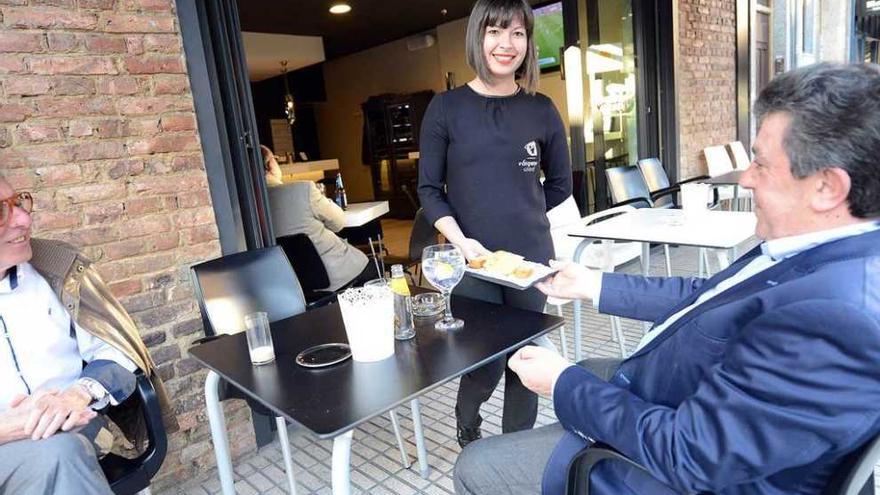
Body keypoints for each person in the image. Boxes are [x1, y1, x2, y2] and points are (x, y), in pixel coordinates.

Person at [454, 62, 880, 495]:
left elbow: (691, 454)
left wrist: (563, 383)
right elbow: (708, 296)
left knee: (478, 464)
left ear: (828, 187)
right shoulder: (819, 248)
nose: (745, 179)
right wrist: (593, 284)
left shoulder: (838, 316)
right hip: (692, 399)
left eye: (761, 165)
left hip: (674, 470)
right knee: (582, 369)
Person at [418, 0, 572, 448]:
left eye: (519, 34)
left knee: (526, 358)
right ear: (477, 37)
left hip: (530, 260)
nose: (507, 44)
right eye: (495, 32)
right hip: (473, 261)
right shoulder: (445, 109)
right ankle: (467, 421)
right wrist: (464, 242)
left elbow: (560, 184)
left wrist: (523, 215)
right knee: (483, 359)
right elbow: (429, 190)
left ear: (528, 43)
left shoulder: (541, 110)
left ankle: (512, 449)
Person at [0, 175, 173, 494]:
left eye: (18, 202)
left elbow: (117, 351)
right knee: (57, 453)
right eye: (1, 212)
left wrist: (76, 395)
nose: (24, 219)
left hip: (73, 429)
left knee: (59, 452)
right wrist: (13, 427)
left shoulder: (58, 267)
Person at [268, 180, 380, 291]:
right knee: (375, 267)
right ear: (270, 164)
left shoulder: (255, 201)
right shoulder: (303, 189)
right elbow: (338, 223)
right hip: (335, 274)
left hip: (292, 284)